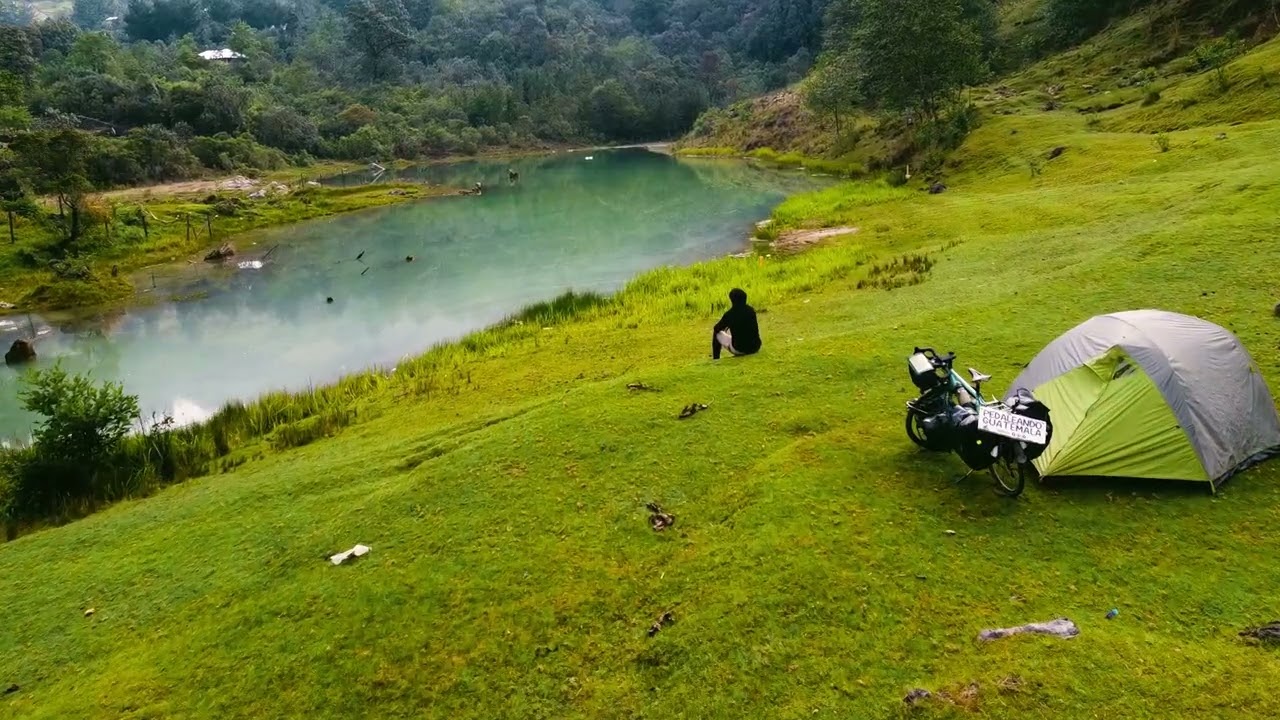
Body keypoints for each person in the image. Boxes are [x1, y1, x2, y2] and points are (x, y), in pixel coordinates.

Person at [712, 288, 762, 360]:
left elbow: (717, 328)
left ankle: (716, 358)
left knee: (717, 333)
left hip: (739, 349)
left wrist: (726, 326)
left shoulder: (729, 314)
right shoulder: (751, 310)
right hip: (755, 347)